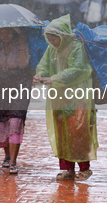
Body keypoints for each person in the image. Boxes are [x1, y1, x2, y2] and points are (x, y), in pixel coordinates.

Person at [33, 15, 98, 181]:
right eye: (50, 40)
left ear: (62, 36)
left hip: (78, 96)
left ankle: (84, 168)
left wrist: (54, 79)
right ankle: (67, 169)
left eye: (54, 39)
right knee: (62, 132)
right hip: (59, 97)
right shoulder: (52, 49)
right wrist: (40, 74)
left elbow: (80, 70)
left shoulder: (76, 47)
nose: (53, 42)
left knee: (79, 131)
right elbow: (44, 64)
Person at [0, 28, 34, 175]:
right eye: (2, 32)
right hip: (0, 84)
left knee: (16, 119)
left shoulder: (22, 42)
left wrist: (21, 40)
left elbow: (23, 63)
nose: (5, 35)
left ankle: (14, 162)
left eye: (8, 32)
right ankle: (7, 156)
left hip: (21, 83)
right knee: (2, 121)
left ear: (14, 32)